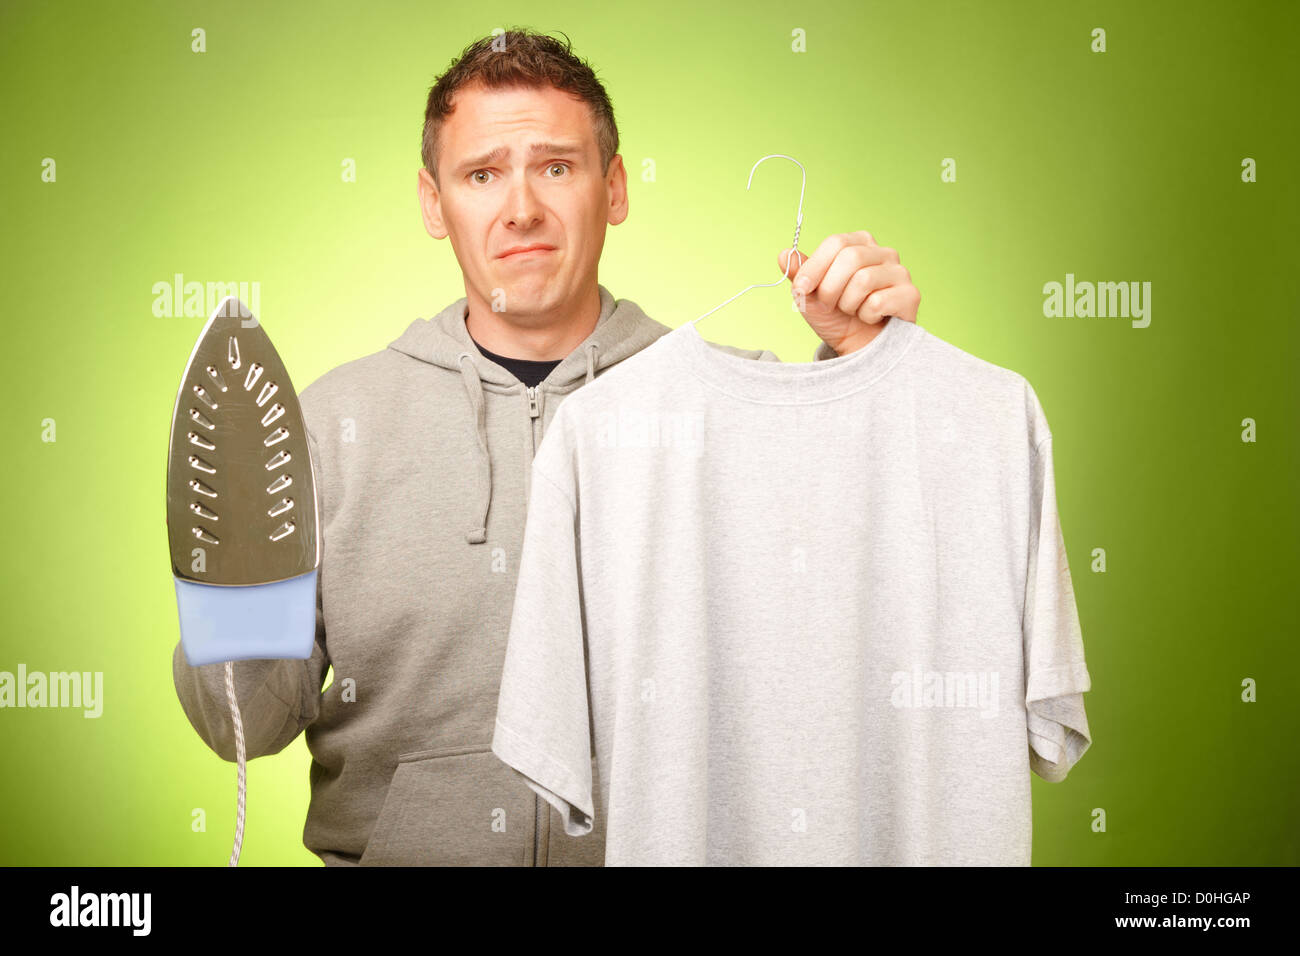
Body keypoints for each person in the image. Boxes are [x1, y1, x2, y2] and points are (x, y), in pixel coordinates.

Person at [172, 28, 922, 866]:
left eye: (556, 167)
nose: (521, 207)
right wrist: (229, 565)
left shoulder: (732, 402)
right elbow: (243, 725)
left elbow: (873, 626)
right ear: (433, 202)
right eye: (482, 173)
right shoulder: (330, 426)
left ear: (614, 187)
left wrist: (869, 376)